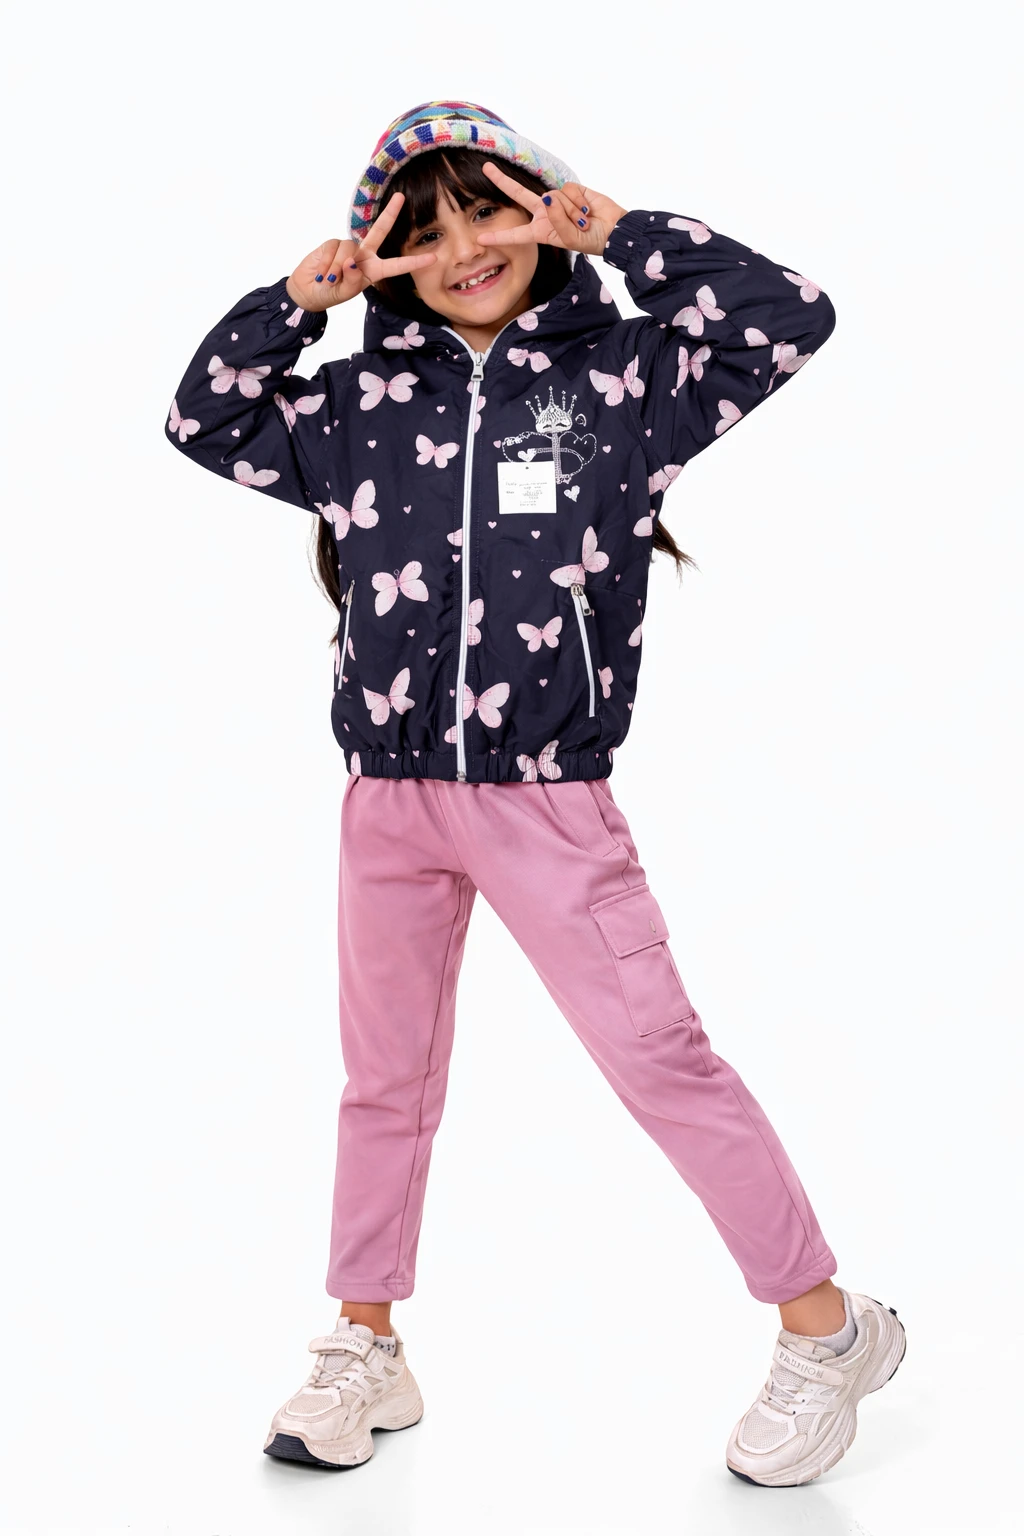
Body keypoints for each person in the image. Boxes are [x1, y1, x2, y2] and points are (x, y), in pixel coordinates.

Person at [165, 100, 906, 1486]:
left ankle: (829, 1331)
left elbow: (789, 318)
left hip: (547, 801)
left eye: (492, 211)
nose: (466, 250)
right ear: (386, 248)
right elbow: (202, 418)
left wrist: (619, 232)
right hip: (387, 798)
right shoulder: (355, 404)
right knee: (384, 1083)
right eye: (427, 228)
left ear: (542, 210)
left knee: (661, 1060)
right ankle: (366, 1343)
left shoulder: (626, 379)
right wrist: (296, 302)